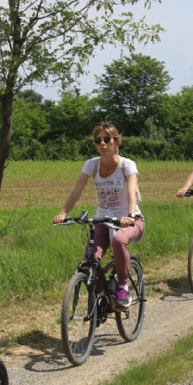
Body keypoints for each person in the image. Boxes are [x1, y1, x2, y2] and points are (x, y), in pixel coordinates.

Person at [54, 122, 144, 308]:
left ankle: (123, 288)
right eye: (98, 140)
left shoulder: (127, 165)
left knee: (119, 240)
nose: (102, 143)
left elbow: (131, 192)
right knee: (88, 261)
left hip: (129, 219)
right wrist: (64, 213)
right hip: (103, 218)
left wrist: (129, 215)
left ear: (116, 142)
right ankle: (101, 295)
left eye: (106, 139)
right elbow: (77, 190)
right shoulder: (92, 165)